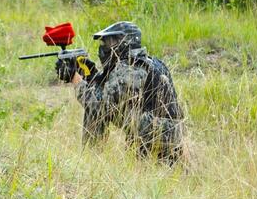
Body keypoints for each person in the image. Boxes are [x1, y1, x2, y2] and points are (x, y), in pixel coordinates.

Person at [56, 21, 185, 164]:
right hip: (169, 133)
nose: (103, 48)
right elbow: (113, 92)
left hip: (160, 136)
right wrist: (92, 76)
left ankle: (90, 159)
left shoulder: (130, 68)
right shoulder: (150, 62)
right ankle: (91, 159)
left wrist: (76, 79)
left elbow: (99, 107)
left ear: (124, 42)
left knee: (94, 109)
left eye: (108, 43)